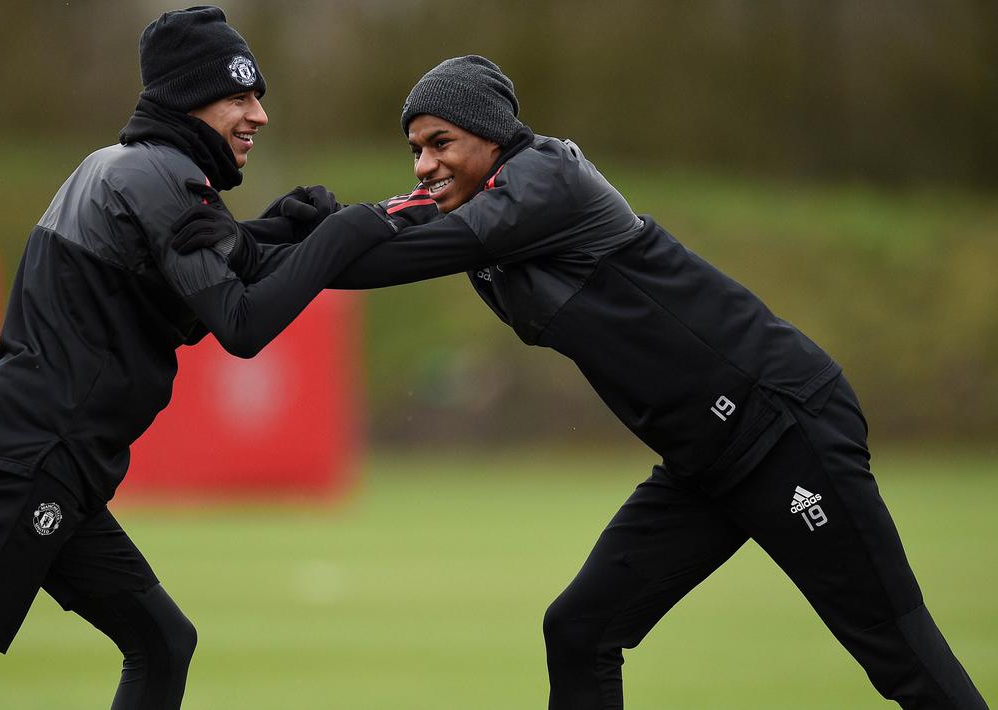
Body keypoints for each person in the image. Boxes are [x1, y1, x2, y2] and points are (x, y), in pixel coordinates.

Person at [179, 55, 990, 709]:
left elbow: (393, 254)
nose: (424, 165)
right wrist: (242, 241)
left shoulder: (546, 181)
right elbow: (371, 242)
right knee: (580, 631)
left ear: (491, 136)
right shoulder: (472, 200)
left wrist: (311, 238)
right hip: (704, 462)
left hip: (782, 426)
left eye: (439, 143)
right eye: (415, 150)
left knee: (898, 656)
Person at [0, 7, 399, 709]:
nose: (258, 115)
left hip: (45, 460)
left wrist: (278, 227)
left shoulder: (127, 168)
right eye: (238, 96)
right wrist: (347, 231)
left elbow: (204, 267)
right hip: (33, 460)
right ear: (189, 100)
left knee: (163, 643)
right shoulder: (160, 180)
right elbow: (239, 322)